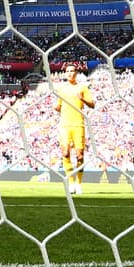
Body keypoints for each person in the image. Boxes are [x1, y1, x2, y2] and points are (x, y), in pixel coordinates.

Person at [52, 62, 94, 195]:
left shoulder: (82, 88)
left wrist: (82, 99)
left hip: (78, 124)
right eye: (68, 71)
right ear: (65, 73)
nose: (70, 73)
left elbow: (92, 104)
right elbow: (59, 106)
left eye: (72, 71)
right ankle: (70, 183)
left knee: (80, 155)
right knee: (65, 153)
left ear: (76, 73)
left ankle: (78, 183)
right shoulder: (62, 89)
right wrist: (57, 107)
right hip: (64, 124)